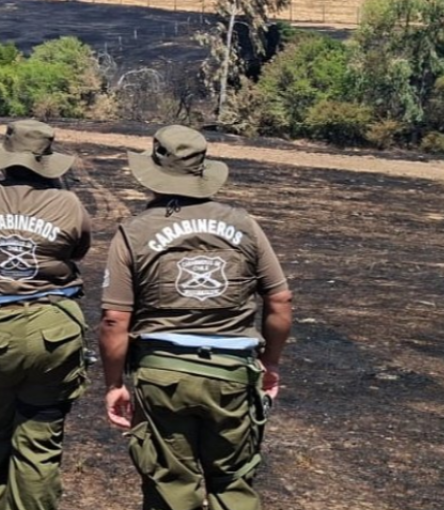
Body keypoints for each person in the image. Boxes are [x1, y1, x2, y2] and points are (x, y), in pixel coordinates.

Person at [98, 125, 293, 510]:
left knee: (170, 485)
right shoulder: (244, 224)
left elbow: (114, 320)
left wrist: (114, 383)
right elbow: (280, 301)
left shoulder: (134, 232)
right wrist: (270, 363)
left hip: (162, 374)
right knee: (233, 483)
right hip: (232, 373)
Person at [0, 120, 91, 510]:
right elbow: (76, 251)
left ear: (5, 155)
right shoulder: (68, 204)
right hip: (52, 329)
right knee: (40, 437)